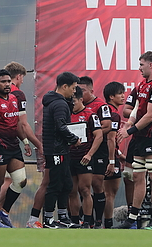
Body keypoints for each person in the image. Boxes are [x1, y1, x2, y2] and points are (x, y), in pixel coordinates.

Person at [117, 51, 152, 230]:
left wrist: (129, 130)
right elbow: (135, 111)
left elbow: (150, 116)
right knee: (138, 176)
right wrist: (128, 126)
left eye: (141, 64)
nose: (139, 68)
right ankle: (132, 218)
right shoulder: (142, 84)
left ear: (151, 65)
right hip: (140, 137)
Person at [0, 69, 29, 228]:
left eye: (9, 81)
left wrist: (26, 141)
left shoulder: (14, 98)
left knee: (21, 181)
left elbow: (16, 124)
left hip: (14, 146)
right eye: (3, 82)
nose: (7, 84)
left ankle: (4, 211)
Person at [42, 72, 81, 229]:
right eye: (72, 88)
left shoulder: (58, 102)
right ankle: (48, 218)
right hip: (55, 149)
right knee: (55, 184)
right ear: (64, 86)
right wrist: (74, 139)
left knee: (66, 183)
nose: (74, 92)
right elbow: (61, 126)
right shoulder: (58, 104)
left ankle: (63, 216)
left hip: (61, 149)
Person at [78, 76, 113, 228]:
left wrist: (92, 133)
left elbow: (107, 126)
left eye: (83, 90)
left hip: (99, 149)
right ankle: (87, 219)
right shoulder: (75, 105)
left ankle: (99, 220)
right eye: (77, 90)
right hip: (81, 150)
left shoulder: (101, 106)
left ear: (91, 90)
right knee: (82, 185)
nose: (79, 93)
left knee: (97, 184)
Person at [68, 86, 102, 228]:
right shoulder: (66, 114)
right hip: (70, 157)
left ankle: (88, 221)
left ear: (81, 100)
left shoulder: (90, 115)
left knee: (85, 189)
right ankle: (75, 221)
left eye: (74, 102)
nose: (72, 105)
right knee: (71, 190)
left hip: (84, 157)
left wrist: (89, 154)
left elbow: (99, 135)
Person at [102, 81, 126, 229]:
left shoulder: (104, 111)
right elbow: (110, 139)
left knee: (100, 192)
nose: (123, 96)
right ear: (111, 96)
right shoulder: (114, 115)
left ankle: (91, 221)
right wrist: (112, 161)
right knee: (109, 194)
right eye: (120, 94)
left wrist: (118, 153)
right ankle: (107, 225)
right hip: (107, 157)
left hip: (104, 154)